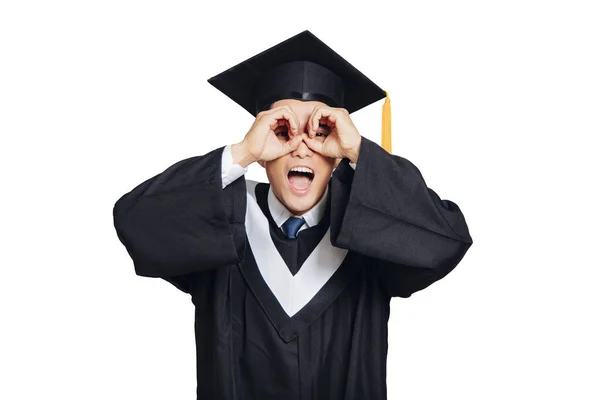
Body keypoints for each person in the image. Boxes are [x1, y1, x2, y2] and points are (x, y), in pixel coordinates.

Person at [113, 30, 473, 400]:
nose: (302, 148)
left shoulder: (372, 232)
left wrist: (361, 153)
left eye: (321, 130)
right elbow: (135, 223)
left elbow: (446, 243)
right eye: (283, 130)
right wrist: (239, 155)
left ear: (336, 152)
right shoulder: (221, 219)